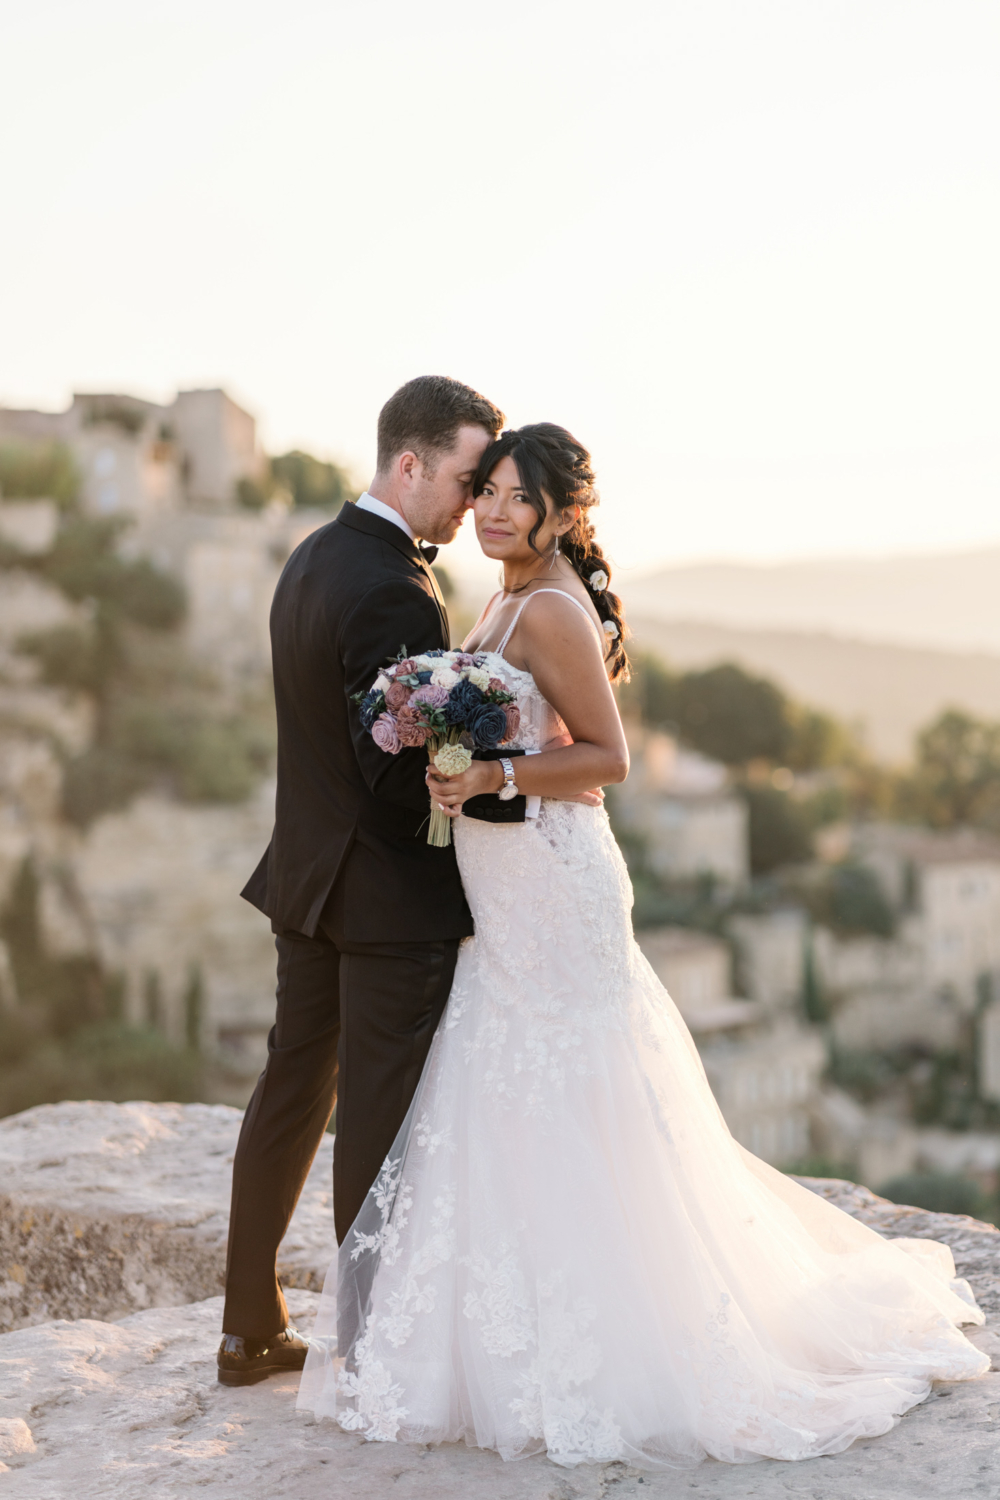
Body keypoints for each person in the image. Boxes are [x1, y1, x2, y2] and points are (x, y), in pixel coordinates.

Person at [297, 423, 989, 1468]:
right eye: (483, 491)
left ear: (563, 512)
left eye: (513, 498)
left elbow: (609, 758)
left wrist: (492, 779)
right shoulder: (505, 594)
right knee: (500, 1093)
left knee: (577, 1095)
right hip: (507, 894)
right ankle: (503, 1338)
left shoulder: (555, 608)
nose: (489, 511)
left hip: (559, 892)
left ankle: (616, 1342)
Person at [217, 375, 509, 1386]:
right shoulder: (393, 585)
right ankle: (374, 1355)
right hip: (382, 899)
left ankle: (247, 1330)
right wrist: (501, 792)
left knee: (289, 1095)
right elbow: (395, 771)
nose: (473, 505)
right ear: (409, 462)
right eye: (467, 480)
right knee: (376, 1123)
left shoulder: (309, 556)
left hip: (306, 879)